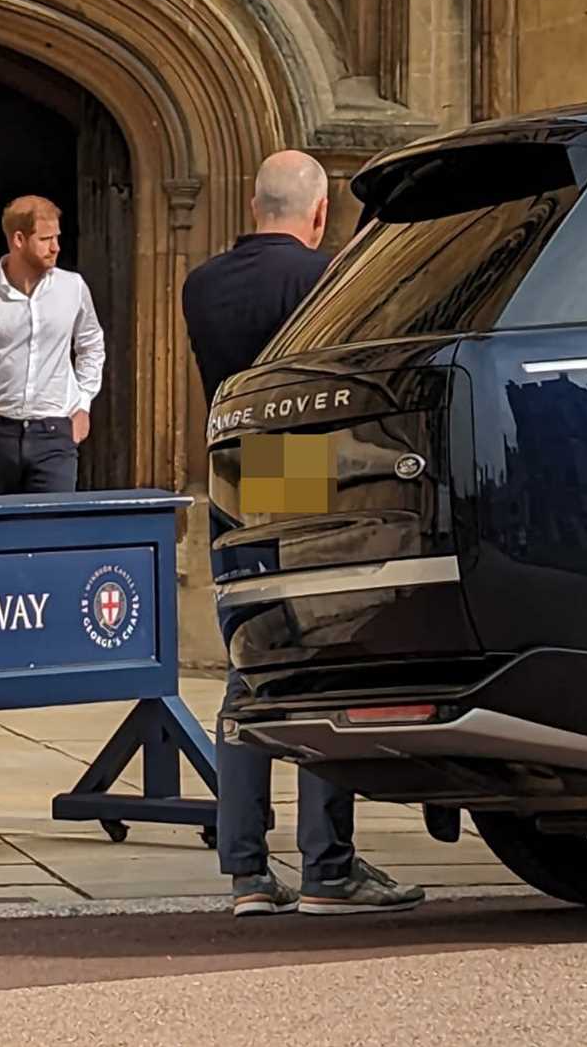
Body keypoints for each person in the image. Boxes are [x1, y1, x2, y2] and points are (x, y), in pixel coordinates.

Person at [183, 150, 425, 917]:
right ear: (319, 213)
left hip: (236, 469)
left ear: (255, 204)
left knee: (248, 666)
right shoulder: (327, 278)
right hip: (311, 472)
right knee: (326, 662)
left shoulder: (202, 284)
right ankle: (328, 866)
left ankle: (246, 871)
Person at [0, 196, 105, 494]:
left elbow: (91, 343)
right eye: (45, 239)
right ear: (18, 239)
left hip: (54, 431)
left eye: (56, 237)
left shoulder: (72, 287)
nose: (55, 247)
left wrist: (83, 403)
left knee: (52, 532)